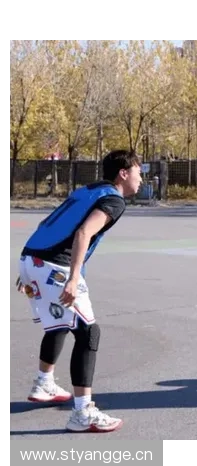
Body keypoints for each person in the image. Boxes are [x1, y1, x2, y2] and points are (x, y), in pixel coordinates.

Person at [16, 150, 142, 431]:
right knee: (88, 333)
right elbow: (83, 233)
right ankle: (82, 413)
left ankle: (44, 383)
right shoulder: (113, 199)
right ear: (123, 173)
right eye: (139, 172)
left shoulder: (89, 190)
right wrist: (73, 278)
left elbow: (47, 224)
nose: (141, 179)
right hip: (55, 266)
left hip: (33, 257)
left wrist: (28, 267)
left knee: (61, 323)